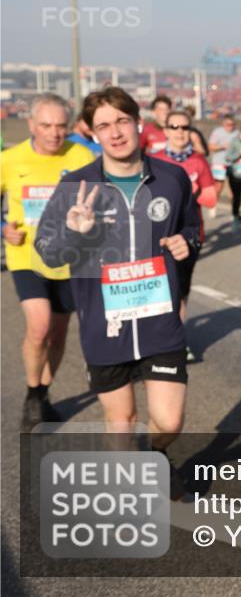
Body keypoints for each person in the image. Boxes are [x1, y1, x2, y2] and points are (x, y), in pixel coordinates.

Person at [34, 87, 200, 498]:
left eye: (122, 121)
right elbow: (48, 252)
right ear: (92, 133)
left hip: (160, 321)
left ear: (138, 123)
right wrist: (74, 231)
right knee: (121, 421)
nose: (115, 133)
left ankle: (156, 453)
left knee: (169, 421)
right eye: (104, 126)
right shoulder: (75, 185)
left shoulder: (171, 178)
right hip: (105, 327)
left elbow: (191, 227)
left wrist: (187, 242)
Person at [2, 93, 95, 431]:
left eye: (61, 126)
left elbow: (103, 202)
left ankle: (42, 392)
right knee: (39, 325)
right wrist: (3, 228)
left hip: (69, 260)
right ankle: (31, 393)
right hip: (27, 256)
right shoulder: (10, 160)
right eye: (46, 126)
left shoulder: (82, 155)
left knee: (58, 334)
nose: (54, 134)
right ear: (31, 125)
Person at [160, 109, 218, 361]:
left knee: (180, 292)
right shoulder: (154, 160)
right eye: (174, 127)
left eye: (184, 127)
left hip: (189, 235)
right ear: (165, 131)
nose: (179, 132)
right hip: (158, 236)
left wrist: (190, 190)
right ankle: (154, 340)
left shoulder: (198, 162)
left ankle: (176, 341)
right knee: (159, 291)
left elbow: (211, 197)